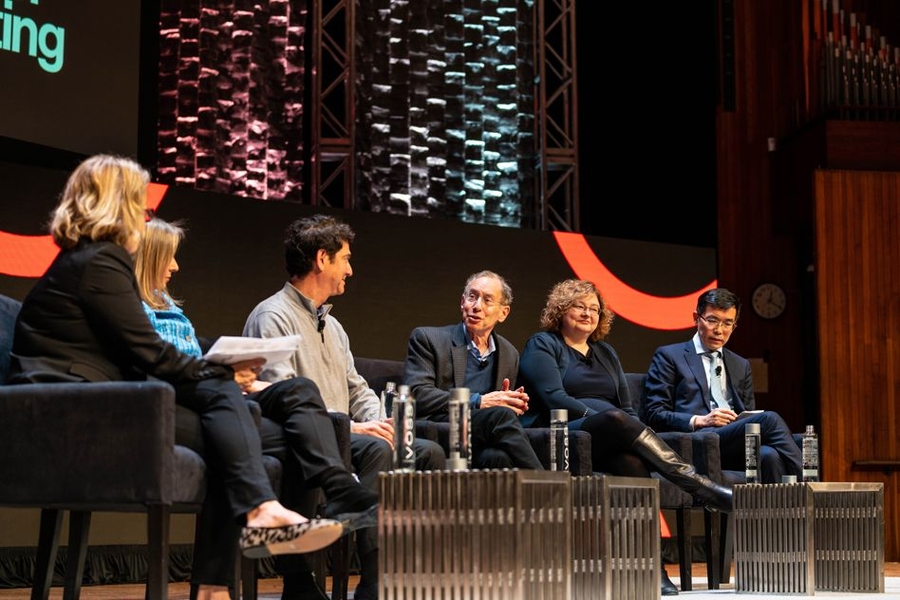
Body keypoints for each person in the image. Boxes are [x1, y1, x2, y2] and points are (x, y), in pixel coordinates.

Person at [6, 155, 342, 600]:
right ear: (117, 203)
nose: (143, 214)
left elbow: (137, 354)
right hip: (77, 413)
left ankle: (230, 566)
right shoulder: (99, 261)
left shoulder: (86, 261)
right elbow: (148, 352)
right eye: (138, 203)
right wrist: (219, 372)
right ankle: (239, 545)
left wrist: (216, 376)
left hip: (107, 401)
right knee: (229, 410)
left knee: (259, 431)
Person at [134, 216, 379, 598]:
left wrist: (225, 373)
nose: (176, 266)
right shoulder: (133, 308)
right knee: (293, 413)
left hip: (210, 394)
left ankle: (306, 566)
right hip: (173, 403)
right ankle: (334, 497)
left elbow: (357, 387)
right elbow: (155, 365)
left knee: (300, 401)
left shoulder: (169, 306)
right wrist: (219, 376)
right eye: (169, 257)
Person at [243, 213, 446, 600]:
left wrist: (380, 420)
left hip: (346, 434)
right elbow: (281, 395)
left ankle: (419, 571)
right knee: (376, 450)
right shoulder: (273, 315)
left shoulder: (333, 326)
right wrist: (354, 429)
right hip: (305, 438)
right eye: (346, 259)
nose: (350, 270)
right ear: (323, 259)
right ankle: (371, 579)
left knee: (428, 451)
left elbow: (357, 388)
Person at [517, 279, 733, 596]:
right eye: (580, 306)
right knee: (616, 419)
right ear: (561, 310)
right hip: (565, 433)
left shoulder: (606, 352)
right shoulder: (543, 344)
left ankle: (651, 568)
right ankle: (698, 485)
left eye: (594, 309)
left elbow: (627, 408)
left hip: (610, 435)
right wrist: (603, 420)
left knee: (634, 465)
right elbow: (554, 397)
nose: (588, 313)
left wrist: (623, 429)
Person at [642, 287, 802, 483]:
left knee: (769, 455)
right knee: (769, 419)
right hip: (696, 441)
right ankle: (810, 486)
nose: (719, 330)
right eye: (712, 320)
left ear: (734, 326)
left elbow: (749, 416)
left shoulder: (740, 364)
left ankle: (784, 512)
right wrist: (701, 420)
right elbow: (653, 413)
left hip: (731, 440)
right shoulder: (669, 356)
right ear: (696, 318)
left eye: (727, 323)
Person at [403, 270, 544, 470]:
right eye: (472, 296)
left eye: (487, 300)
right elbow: (417, 394)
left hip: (480, 434)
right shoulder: (428, 338)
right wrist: (479, 401)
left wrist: (508, 403)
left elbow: (496, 412)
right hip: (441, 426)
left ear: (503, 313)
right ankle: (551, 488)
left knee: (497, 458)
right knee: (500, 417)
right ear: (462, 302)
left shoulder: (509, 354)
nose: (476, 306)